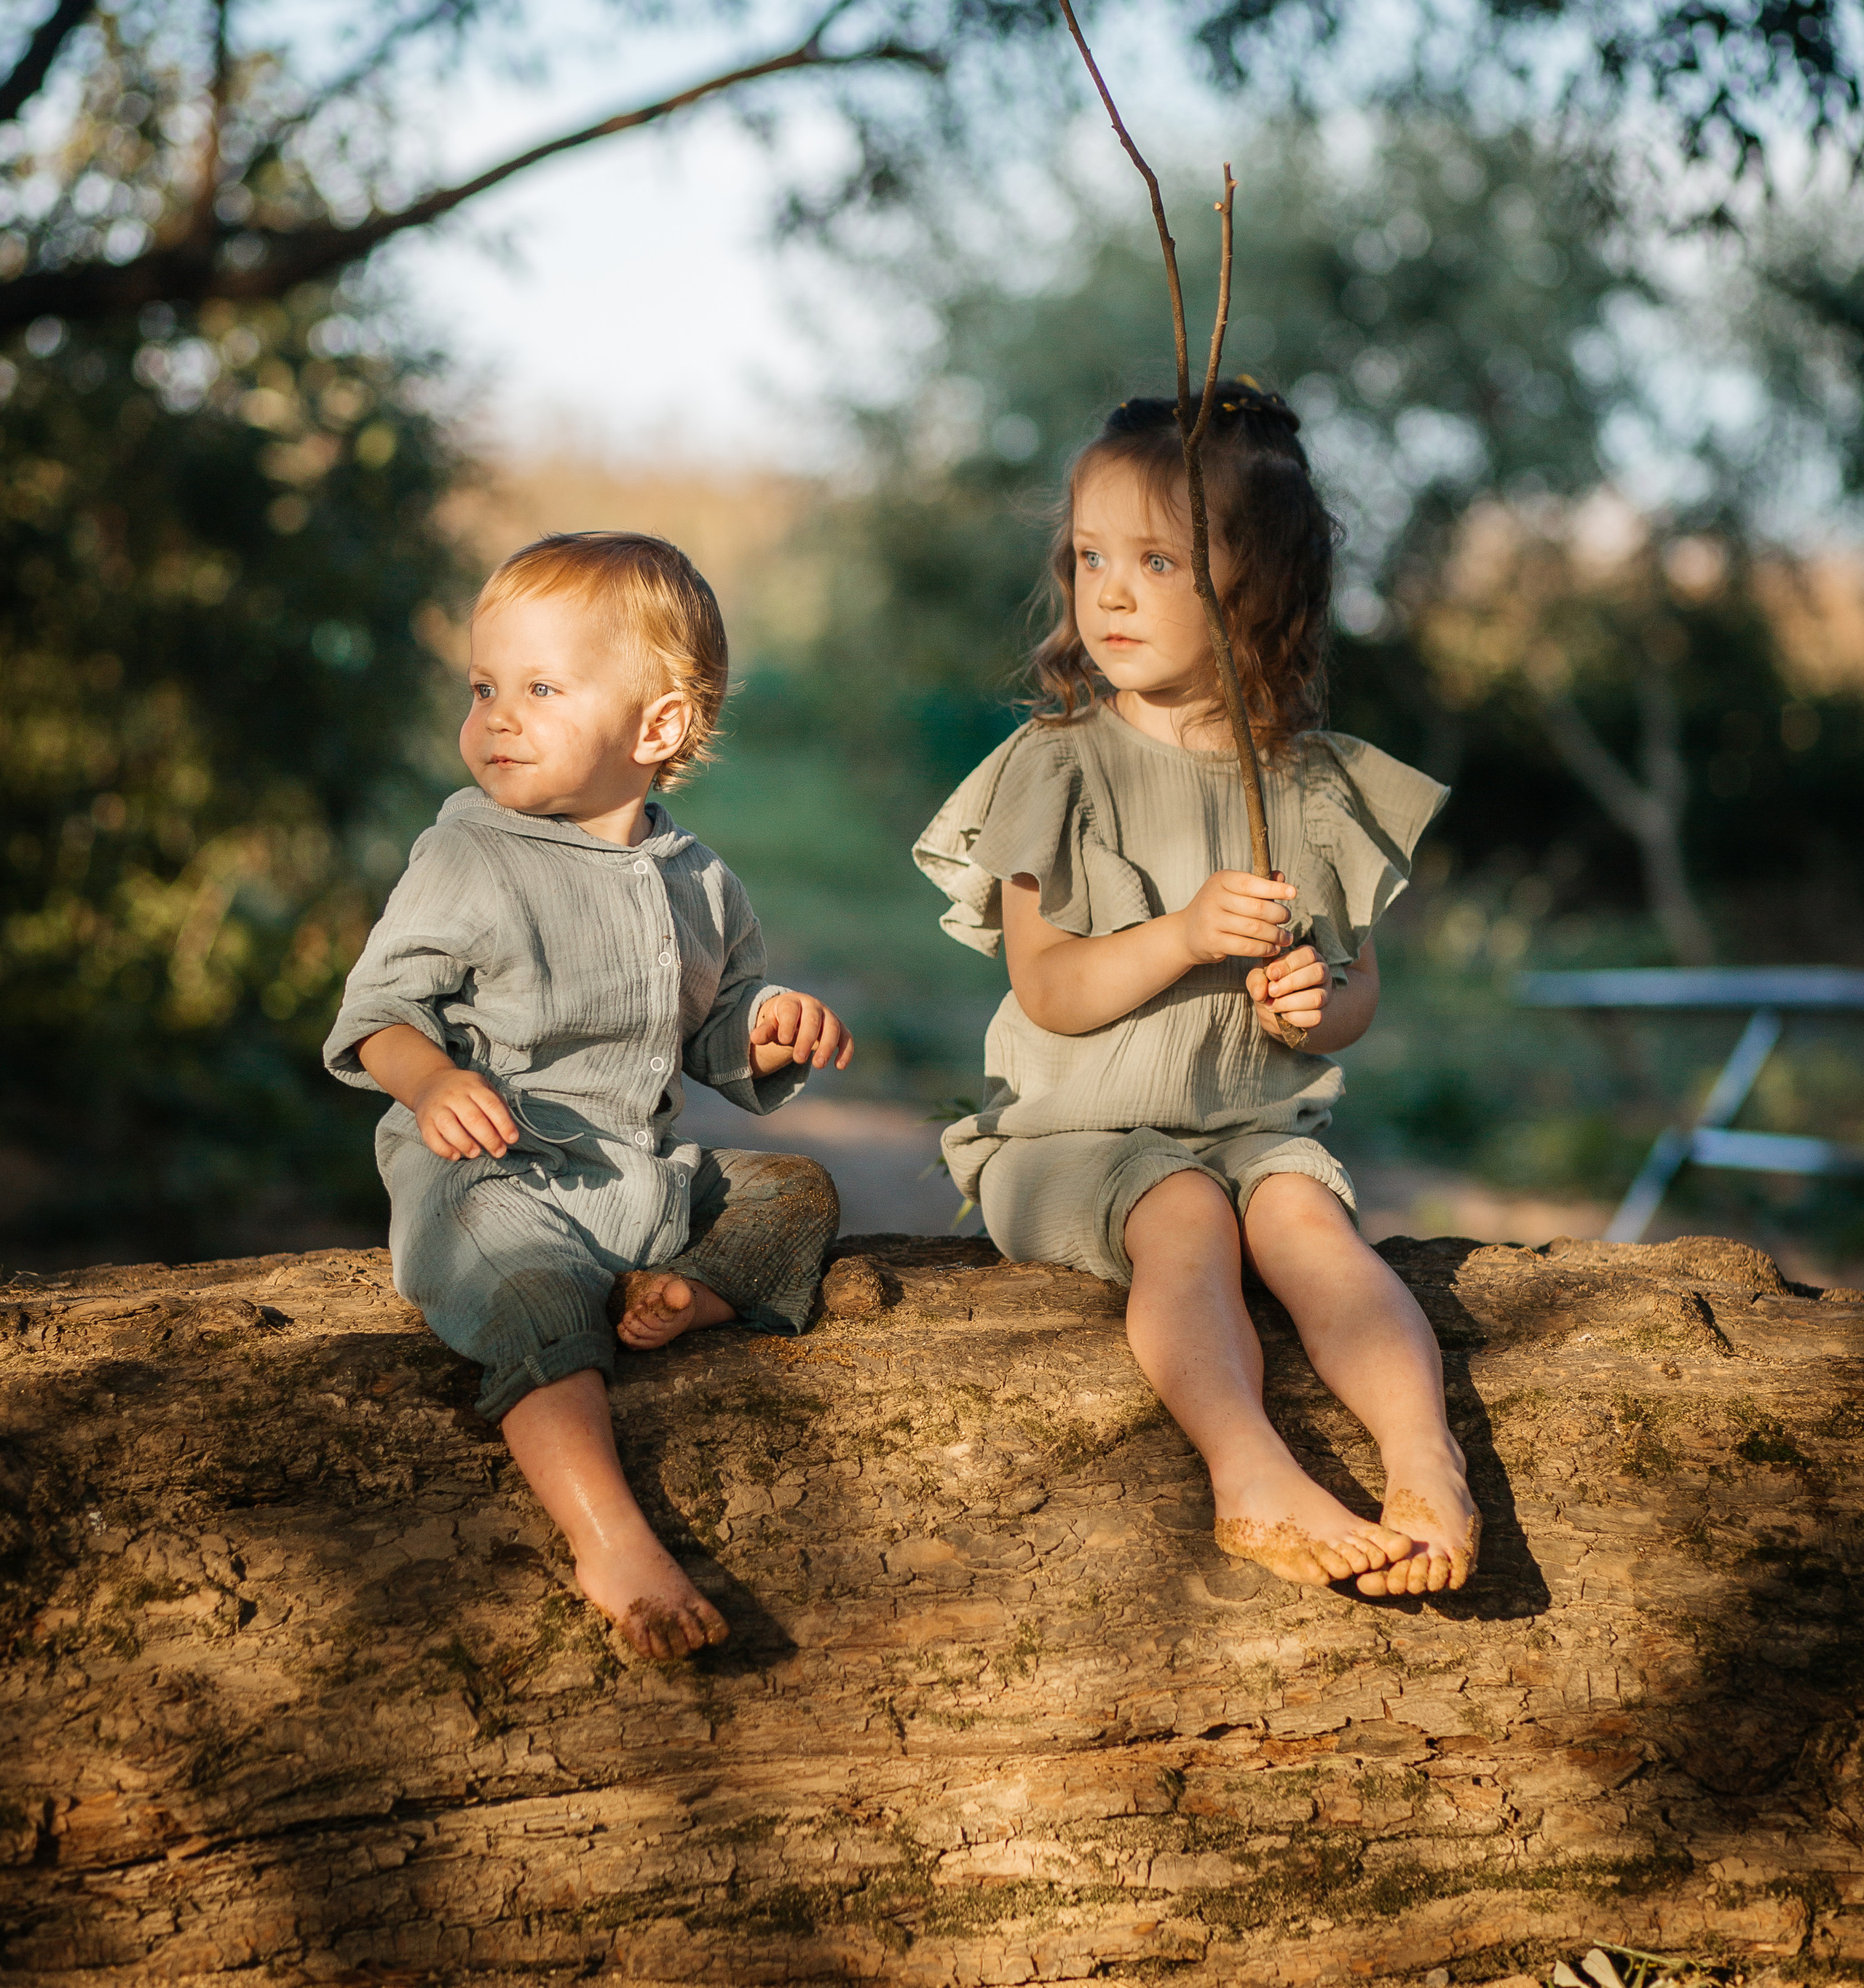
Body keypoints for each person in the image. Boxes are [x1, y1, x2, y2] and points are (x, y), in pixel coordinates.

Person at [913, 384, 1477, 1596]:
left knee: (1307, 1228)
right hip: (1070, 1143)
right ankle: (1249, 1471)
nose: (1106, 591)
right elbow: (1051, 986)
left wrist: (1311, 1007)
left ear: (1261, 586)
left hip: (1256, 1132)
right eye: (1089, 556)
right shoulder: (1054, 765)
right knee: (1181, 1214)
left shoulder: (1315, 787)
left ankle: (1427, 1457)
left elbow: (1357, 990)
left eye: (1157, 559)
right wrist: (1178, 935)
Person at [324, 531, 852, 1660]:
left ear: (655, 728)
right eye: (483, 687)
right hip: (490, 1172)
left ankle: (686, 1294)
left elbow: (714, 1033)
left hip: (633, 1183)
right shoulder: (468, 853)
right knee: (535, 1296)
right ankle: (611, 1538)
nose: (497, 716)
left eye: (540, 688)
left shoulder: (701, 881)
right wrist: (431, 1082)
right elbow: (377, 1013)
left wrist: (766, 1030)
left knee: (796, 1192)